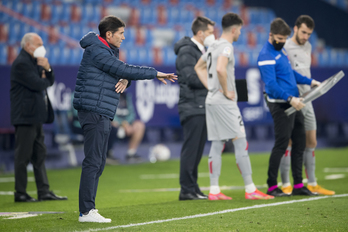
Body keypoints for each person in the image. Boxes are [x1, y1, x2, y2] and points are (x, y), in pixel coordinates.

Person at [74, 16, 176, 223]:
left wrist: (126, 79)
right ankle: (86, 211)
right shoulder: (97, 50)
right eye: (120, 33)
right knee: (93, 161)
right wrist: (154, 73)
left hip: (101, 110)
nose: (124, 37)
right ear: (109, 34)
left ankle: (88, 209)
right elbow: (121, 69)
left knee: (99, 161)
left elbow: (118, 75)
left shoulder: (106, 50)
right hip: (94, 110)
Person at [195, 13, 274, 201]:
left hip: (211, 100)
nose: (240, 33)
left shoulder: (213, 45)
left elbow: (198, 67)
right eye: (239, 29)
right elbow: (221, 68)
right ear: (234, 29)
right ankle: (250, 189)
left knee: (217, 143)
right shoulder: (226, 47)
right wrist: (225, 90)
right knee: (241, 142)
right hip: (224, 103)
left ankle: (214, 190)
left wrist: (211, 88)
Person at [257, 18, 321, 197]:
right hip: (281, 105)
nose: (282, 41)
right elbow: (271, 85)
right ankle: (271, 186)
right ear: (270, 35)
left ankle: (299, 185)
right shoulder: (265, 56)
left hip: (294, 100)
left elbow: (289, 74)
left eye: (285, 38)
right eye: (279, 38)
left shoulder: (281, 50)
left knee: (300, 143)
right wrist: (290, 98)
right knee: (281, 144)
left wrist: (310, 81)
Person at [279, 15, 335, 195]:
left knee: (311, 141)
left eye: (309, 34)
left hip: (307, 100)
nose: (305, 37)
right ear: (295, 29)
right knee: (287, 142)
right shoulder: (285, 47)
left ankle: (312, 182)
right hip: (291, 101)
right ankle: (286, 183)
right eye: (303, 32)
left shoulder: (308, 46)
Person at [10, 33, 68, 202]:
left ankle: (44, 191)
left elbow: (48, 80)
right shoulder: (21, 63)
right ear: (28, 45)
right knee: (23, 156)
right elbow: (38, 84)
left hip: (35, 116)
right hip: (25, 116)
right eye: (38, 44)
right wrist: (43, 77)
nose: (42, 47)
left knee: (39, 154)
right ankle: (20, 192)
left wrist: (48, 69)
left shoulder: (35, 62)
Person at [174, 16, 215, 201]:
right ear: (200, 33)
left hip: (200, 104)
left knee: (198, 149)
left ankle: (193, 187)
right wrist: (214, 84)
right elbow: (191, 77)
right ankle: (186, 190)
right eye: (210, 32)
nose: (213, 36)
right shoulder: (187, 51)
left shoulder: (199, 50)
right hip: (192, 104)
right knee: (191, 148)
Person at [107, 91, 146, 164]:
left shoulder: (127, 96)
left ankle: (131, 153)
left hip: (126, 125)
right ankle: (108, 154)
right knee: (111, 124)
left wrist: (127, 124)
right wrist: (122, 124)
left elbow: (131, 113)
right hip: (116, 124)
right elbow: (110, 113)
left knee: (139, 125)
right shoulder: (110, 96)